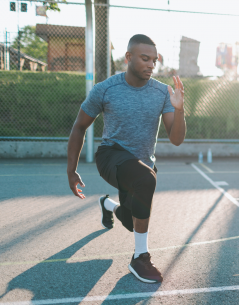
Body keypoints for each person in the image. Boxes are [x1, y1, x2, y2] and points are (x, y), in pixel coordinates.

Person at [67, 34, 186, 283]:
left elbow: (176, 139)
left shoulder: (163, 92)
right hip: (111, 156)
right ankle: (140, 258)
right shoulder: (106, 89)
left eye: (154, 60)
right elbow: (79, 127)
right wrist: (72, 170)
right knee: (146, 179)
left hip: (142, 163)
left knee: (134, 222)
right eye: (145, 58)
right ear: (128, 58)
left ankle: (108, 205)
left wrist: (179, 108)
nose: (151, 65)